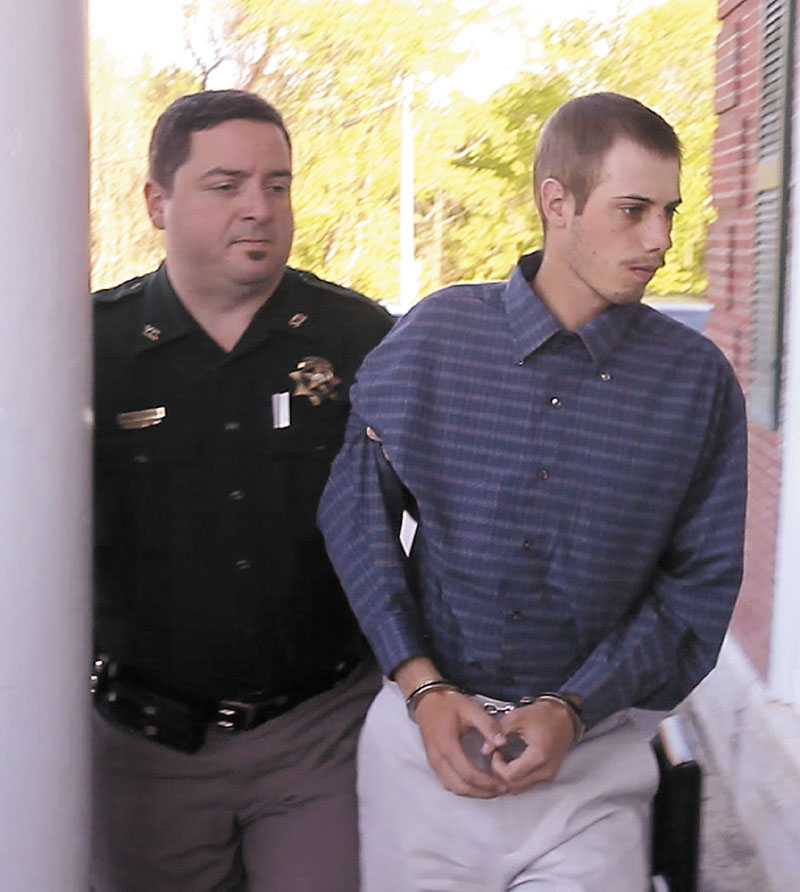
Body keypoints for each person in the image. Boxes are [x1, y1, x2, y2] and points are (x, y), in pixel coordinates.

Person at [319, 92, 747, 892]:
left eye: (669, 211)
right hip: (422, 757)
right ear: (557, 202)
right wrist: (421, 683)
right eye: (632, 210)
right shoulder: (436, 339)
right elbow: (354, 512)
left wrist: (576, 706)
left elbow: (697, 590)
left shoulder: (698, 387)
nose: (659, 240)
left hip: (592, 771)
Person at [91, 89, 393, 892]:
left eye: (278, 185)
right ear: (158, 201)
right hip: (143, 754)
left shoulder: (360, 342)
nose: (259, 209)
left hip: (319, 736)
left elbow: (456, 509)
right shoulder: (89, 350)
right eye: (226, 186)